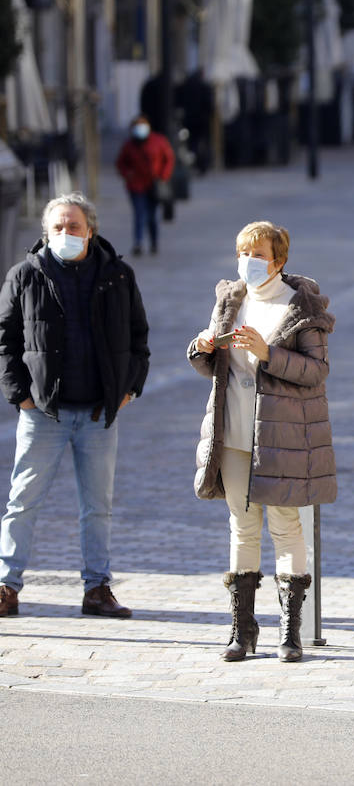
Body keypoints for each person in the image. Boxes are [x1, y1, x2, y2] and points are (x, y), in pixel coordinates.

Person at [187, 221, 336, 662]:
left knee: (286, 526)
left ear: (279, 261)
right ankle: (243, 630)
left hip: (283, 435)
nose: (248, 262)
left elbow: (317, 371)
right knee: (242, 524)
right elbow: (214, 369)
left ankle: (290, 633)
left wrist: (268, 353)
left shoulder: (301, 305)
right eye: (243, 253)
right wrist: (202, 348)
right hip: (233, 432)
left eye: (258, 255)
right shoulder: (231, 300)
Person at [0, 193, 149, 619]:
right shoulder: (26, 274)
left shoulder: (117, 275)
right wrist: (20, 395)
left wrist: (129, 388)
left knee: (97, 506)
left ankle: (97, 588)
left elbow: (138, 337)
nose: (66, 233)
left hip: (99, 414)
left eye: (74, 226)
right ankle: (6, 586)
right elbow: (5, 339)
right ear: (46, 232)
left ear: (91, 230)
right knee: (22, 502)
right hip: (43, 412)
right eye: (58, 227)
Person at [114, 115, 175, 256]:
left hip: (154, 185)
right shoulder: (129, 145)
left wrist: (164, 176)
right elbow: (120, 163)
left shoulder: (158, 141)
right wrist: (128, 174)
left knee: (152, 216)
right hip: (136, 186)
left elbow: (169, 159)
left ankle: (154, 242)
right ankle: (138, 243)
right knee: (139, 214)